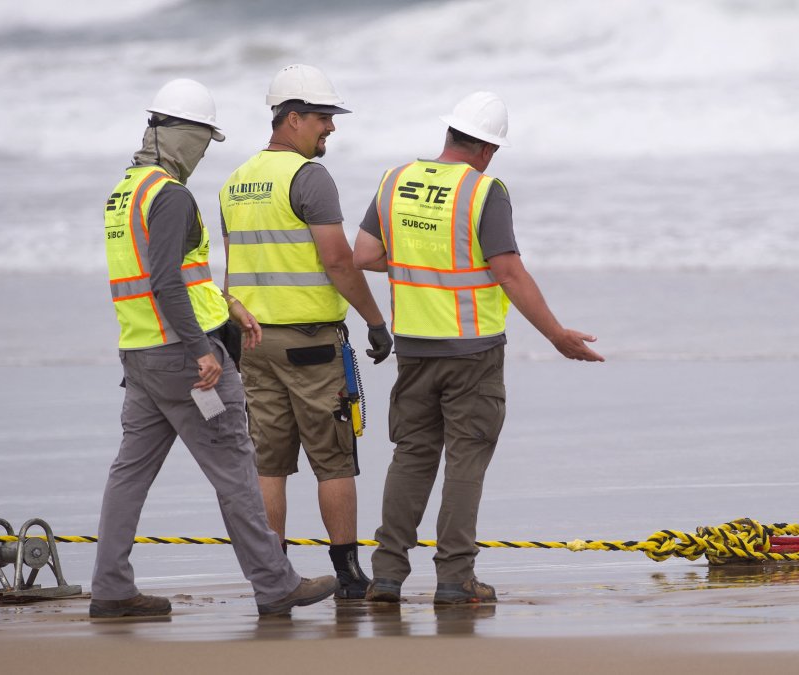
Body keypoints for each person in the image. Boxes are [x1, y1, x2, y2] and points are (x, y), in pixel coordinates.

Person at [93, 78, 338, 618]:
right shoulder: (171, 196)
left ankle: (110, 588)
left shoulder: (123, 193)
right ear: (179, 136)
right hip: (188, 361)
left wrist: (228, 305)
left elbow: (172, 277)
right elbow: (165, 282)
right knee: (236, 471)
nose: (203, 155)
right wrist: (203, 348)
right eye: (202, 142)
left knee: (128, 474)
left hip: (140, 356)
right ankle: (276, 585)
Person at [352, 91, 605, 605]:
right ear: (488, 148)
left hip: (414, 347)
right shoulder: (484, 191)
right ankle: (454, 577)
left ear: (449, 134)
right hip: (472, 351)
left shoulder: (395, 180)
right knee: (466, 458)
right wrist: (556, 335)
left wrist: (417, 263)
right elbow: (508, 271)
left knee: (412, 456)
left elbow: (365, 254)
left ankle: (385, 575)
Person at [219, 64, 393, 600]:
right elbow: (339, 261)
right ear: (291, 119)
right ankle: (347, 575)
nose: (330, 129)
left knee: (268, 461)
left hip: (251, 343)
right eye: (322, 118)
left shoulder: (235, 181)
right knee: (333, 456)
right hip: (311, 345)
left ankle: (273, 577)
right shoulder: (307, 177)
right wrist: (375, 321)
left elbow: (234, 271)